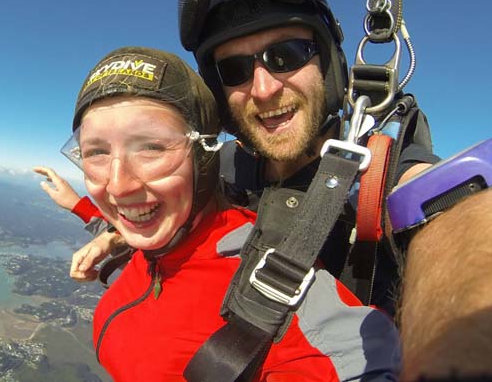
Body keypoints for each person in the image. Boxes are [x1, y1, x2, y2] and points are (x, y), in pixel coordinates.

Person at [48, 0, 492, 381]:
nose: (264, 87)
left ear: (329, 62)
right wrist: (107, 230)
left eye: (287, 54)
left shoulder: (379, 168)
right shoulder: (228, 164)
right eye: (234, 68)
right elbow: (154, 201)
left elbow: (466, 217)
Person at [56, 45, 402, 381]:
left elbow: (355, 356)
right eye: (96, 153)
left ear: (204, 157)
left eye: (151, 147)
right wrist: (86, 212)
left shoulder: (267, 283)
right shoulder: (156, 243)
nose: (117, 186)